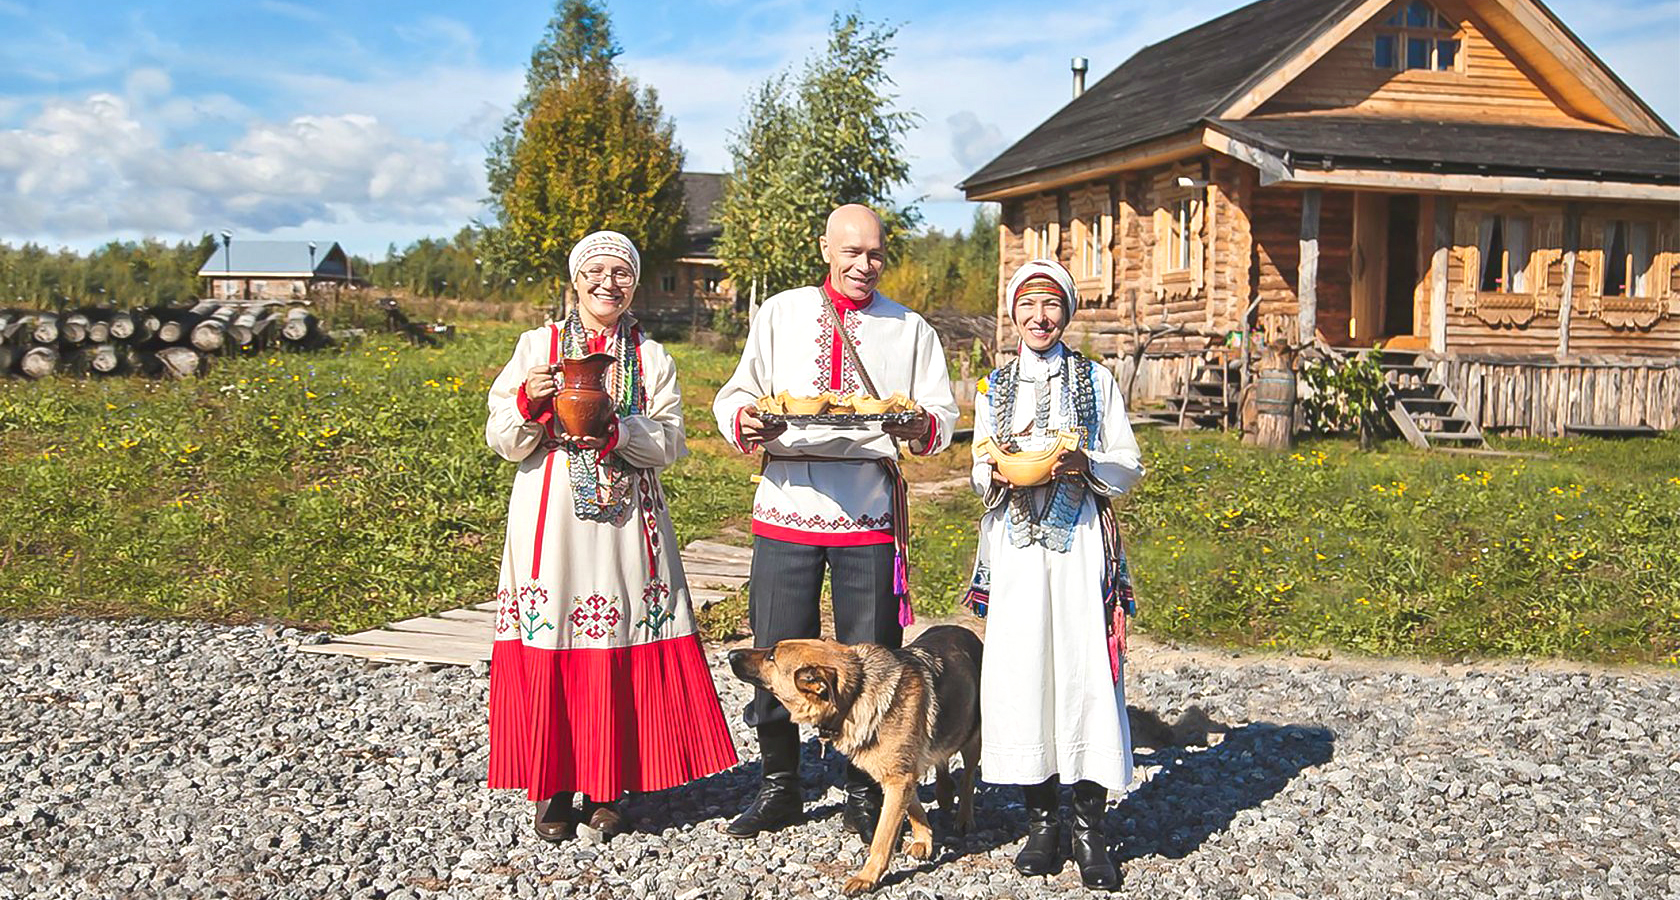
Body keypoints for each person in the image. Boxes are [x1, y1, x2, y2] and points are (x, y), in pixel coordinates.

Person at [711, 204, 959, 839]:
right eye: (851, 251)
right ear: (826, 249)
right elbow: (736, 394)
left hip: (867, 511)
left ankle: (864, 787)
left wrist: (915, 425)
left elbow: (941, 414)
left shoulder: (909, 329)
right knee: (775, 647)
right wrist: (751, 422)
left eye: (875, 253)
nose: (864, 264)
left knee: (873, 654)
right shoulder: (781, 313)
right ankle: (780, 785)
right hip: (789, 502)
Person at [485, 230, 737, 843]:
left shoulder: (650, 360)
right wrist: (527, 400)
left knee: (617, 635)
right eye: (595, 271)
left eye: (621, 273)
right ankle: (550, 786)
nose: (608, 283)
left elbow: (671, 441)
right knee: (555, 634)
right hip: (552, 521)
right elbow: (502, 437)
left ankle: (605, 785)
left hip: (627, 523)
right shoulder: (536, 347)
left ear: (635, 283)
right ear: (575, 280)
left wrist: (618, 430)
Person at [963, 259, 1145, 889]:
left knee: (1085, 670)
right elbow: (978, 470)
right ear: (1012, 312)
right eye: (1028, 305)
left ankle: (1091, 828)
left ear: (1068, 313)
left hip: (1077, 548)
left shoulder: (1096, 380)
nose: (1040, 318)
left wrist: (1082, 461)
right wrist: (997, 466)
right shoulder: (993, 388)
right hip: (1015, 551)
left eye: (1052, 306)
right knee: (1024, 671)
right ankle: (1042, 823)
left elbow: (1127, 463)